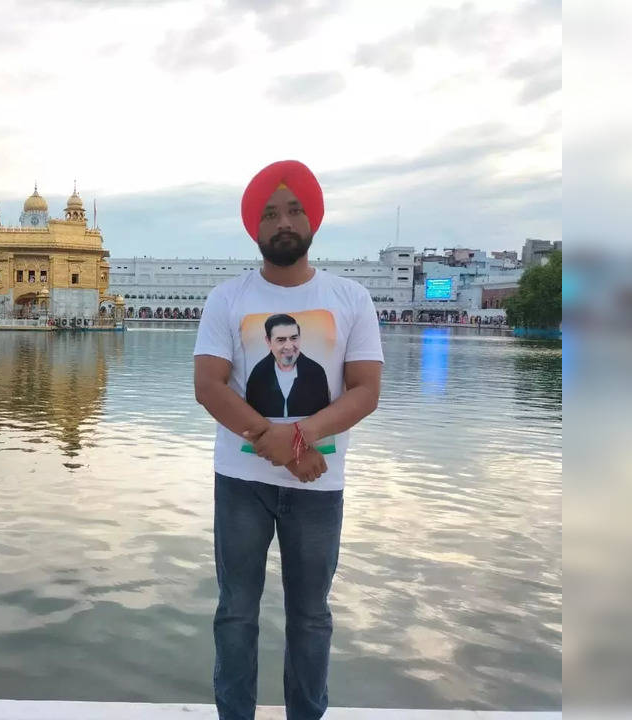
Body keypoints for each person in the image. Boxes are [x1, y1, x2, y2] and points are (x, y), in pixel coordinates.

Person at [193, 160, 384, 720]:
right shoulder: (227, 299)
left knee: (310, 616)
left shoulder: (350, 299)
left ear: (313, 220)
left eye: (294, 209)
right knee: (235, 613)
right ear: (255, 227)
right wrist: (265, 437)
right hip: (241, 484)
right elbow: (209, 386)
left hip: (318, 487)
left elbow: (365, 389)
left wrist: (300, 438)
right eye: (270, 213)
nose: (283, 222)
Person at [244, 314, 331, 418]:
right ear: (268, 341)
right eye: (281, 340)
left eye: (294, 338)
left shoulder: (316, 373)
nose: (289, 346)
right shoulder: (258, 374)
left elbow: (325, 417)